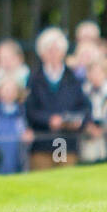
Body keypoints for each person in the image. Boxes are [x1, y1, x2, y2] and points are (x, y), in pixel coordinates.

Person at [26, 27, 92, 170]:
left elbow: (85, 108)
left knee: (65, 181)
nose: (53, 54)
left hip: (67, 141)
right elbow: (29, 109)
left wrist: (75, 121)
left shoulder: (73, 79)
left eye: (57, 50)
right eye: (49, 50)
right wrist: (49, 119)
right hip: (42, 143)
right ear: (42, 53)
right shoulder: (34, 79)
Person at [0, 78, 30, 174]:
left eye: (12, 91)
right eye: (6, 90)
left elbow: (24, 129)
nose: (9, 93)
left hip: (16, 149)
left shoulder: (21, 111)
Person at [80, 56, 107, 163]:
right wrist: (89, 126)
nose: (95, 76)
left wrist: (104, 128)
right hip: (88, 135)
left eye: (98, 72)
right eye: (92, 72)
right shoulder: (83, 91)